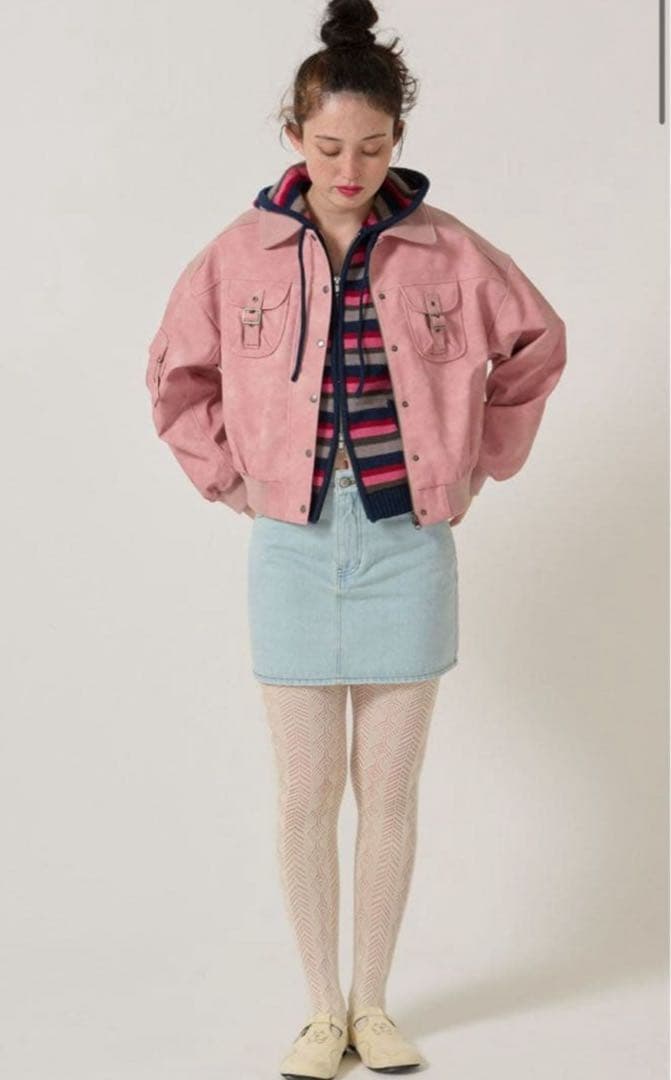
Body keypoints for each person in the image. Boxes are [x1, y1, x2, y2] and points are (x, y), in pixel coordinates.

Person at [145, 1, 567, 1076]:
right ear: (294, 134)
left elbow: (534, 343)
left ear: (397, 139)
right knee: (303, 795)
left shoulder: (446, 249)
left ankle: (372, 1007)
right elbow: (175, 373)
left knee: (389, 793)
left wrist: (477, 463)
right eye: (329, 147)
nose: (349, 170)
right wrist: (226, 476)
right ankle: (317, 1010)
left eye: (372, 148)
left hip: (406, 543)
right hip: (290, 543)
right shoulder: (238, 252)